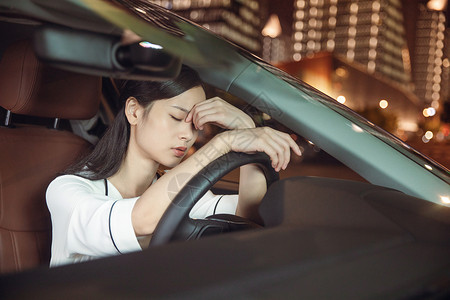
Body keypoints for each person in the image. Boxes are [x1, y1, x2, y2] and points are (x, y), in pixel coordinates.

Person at [46, 65, 302, 267]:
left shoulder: (178, 188)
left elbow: (249, 214)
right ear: (134, 111)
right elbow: (141, 219)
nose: (187, 135)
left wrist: (245, 126)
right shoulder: (67, 190)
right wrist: (223, 143)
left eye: (194, 124)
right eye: (177, 117)